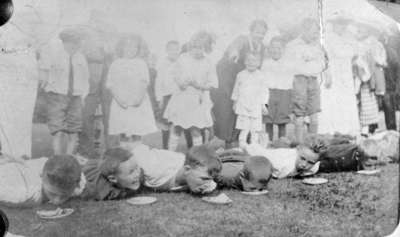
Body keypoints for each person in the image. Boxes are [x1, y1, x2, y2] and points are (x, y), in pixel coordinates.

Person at [84, 144, 219, 200]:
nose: (208, 183)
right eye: (204, 179)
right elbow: (139, 154)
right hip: (142, 159)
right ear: (188, 170)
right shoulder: (152, 168)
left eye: (208, 179)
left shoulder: (197, 174)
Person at [212, 19, 268, 148]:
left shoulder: (262, 46)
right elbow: (234, 49)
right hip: (230, 76)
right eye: (257, 32)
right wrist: (234, 53)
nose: (259, 35)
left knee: (249, 108)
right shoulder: (242, 40)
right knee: (230, 107)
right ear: (251, 30)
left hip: (248, 79)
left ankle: (246, 142)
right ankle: (228, 141)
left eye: (262, 33)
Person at [39, 29, 89, 155]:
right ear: (63, 43)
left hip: (75, 98)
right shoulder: (55, 55)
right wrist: (48, 87)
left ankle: (69, 158)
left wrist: (83, 96)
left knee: (74, 131)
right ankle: (57, 158)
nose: (73, 46)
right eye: (70, 43)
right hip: (57, 97)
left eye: (76, 43)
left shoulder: (81, 58)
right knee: (58, 130)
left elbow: (85, 78)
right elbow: (44, 69)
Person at [164, 33, 217, 150]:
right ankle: (170, 154)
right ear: (190, 47)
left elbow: (212, 84)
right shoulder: (183, 58)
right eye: (194, 47)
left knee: (195, 129)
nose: (197, 51)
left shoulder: (208, 62)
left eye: (201, 48)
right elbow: (174, 73)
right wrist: (180, 83)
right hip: (182, 97)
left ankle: (197, 154)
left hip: (197, 100)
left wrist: (199, 85)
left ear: (206, 48)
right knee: (177, 127)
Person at [106, 34, 157, 146]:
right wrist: (119, 100)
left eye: (134, 47)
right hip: (121, 101)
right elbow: (110, 84)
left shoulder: (141, 63)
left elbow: (145, 82)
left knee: (136, 130)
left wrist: (138, 99)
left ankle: (137, 156)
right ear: (122, 48)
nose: (131, 49)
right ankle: (125, 155)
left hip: (137, 101)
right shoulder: (116, 64)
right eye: (128, 46)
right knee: (123, 130)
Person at [80, 10, 116, 159]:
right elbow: (82, 53)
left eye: (101, 19)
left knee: (110, 114)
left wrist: (108, 50)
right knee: (86, 114)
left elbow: (114, 52)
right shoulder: (85, 34)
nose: (98, 22)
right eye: (96, 19)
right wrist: (99, 52)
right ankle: (87, 150)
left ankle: (111, 150)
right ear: (91, 20)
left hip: (107, 77)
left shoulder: (110, 33)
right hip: (91, 76)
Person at [285, 18, 327, 143]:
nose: (315, 35)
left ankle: (312, 143)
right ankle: (299, 143)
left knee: (314, 112)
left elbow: (323, 63)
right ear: (304, 30)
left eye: (316, 32)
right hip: (299, 80)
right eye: (313, 32)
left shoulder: (317, 46)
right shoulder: (292, 46)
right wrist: (303, 61)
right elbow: (288, 65)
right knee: (300, 113)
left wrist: (314, 62)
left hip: (313, 80)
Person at [0, 25, 38, 158]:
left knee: (24, 114)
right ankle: (7, 153)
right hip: (5, 64)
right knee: (5, 115)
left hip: (25, 64)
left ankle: (22, 154)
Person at [318, 18, 360, 136]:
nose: (341, 27)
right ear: (333, 25)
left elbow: (354, 53)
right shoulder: (328, 38)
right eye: (339, 24)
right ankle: (334, 130)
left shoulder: (346, 38)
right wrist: (327, 73)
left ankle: (346, 130)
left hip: (345, 74)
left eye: (344, 25)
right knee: (333, 100)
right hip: (333, 73)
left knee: (345, 101)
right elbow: (337, 53)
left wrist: (352, 49)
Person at [0, 153, 86, 206]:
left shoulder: (77, 184)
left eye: (64, 196)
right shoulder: (23, 194)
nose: (57, 201)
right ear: (42, 178)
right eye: (52, 194)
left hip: (32, 165)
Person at [352, 23, 387, 136]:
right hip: (358, 74)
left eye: (362, 30)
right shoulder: (356, 43)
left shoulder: (374, 44)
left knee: (368, 101)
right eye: (359, 30)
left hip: (368, 76)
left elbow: (380, 59)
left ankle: (368, 128)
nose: (360, 32)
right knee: (360, 102)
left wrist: (369, 66)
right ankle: (363, 127)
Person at [231, 52, 269, 148]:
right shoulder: (240, 75)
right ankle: (242, 144)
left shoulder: (261, 76)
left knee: (255, 128)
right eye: (248, 60)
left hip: (256, 105)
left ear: (259, 63)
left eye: (254, 60)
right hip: (243, 105)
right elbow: (236, 89)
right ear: (244, 62)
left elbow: (264, 91)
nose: (251, 63)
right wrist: (235, 102)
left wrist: (263, 104)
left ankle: (254, 145)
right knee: (244, 128)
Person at [261, 37, 293, 140]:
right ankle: (268, 141)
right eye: (273, 47)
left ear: (283, 50)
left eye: (279, 48)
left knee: (282, 120)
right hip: (268, 93)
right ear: (269, 49)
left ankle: (281, 142)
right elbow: (262, 81)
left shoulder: (288, 63)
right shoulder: (265, 63)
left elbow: (290, 82)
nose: (276, 50)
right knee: (268, 119)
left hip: (284, 93)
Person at [155, 40, 181, 149]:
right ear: (167, 50)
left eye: (176, 49)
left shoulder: (181, 62)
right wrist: (159, 98)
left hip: (179, 97)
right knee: (166, 124)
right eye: (171, 49)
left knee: (181, 123)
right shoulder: (162, 64)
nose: (174, 52)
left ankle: (189, 149)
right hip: (167, 96)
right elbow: (158, 82)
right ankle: (165, 148)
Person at [244, 143, 320, 179]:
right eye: (302, 159)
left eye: (310, 163)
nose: (304, 164)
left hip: (284, 153)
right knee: (255, 152)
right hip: (270, 156)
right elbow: (275, 176)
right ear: (298, 152)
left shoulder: (314, 167)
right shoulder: (283, 165)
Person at [382, 31, 400, 130]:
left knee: (389, 108)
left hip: (389, 84)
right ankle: (392, 129)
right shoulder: (390, 51)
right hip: (388, 83)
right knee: (389, 108)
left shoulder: (390, 52)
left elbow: (397, 69)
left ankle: (392, 130)